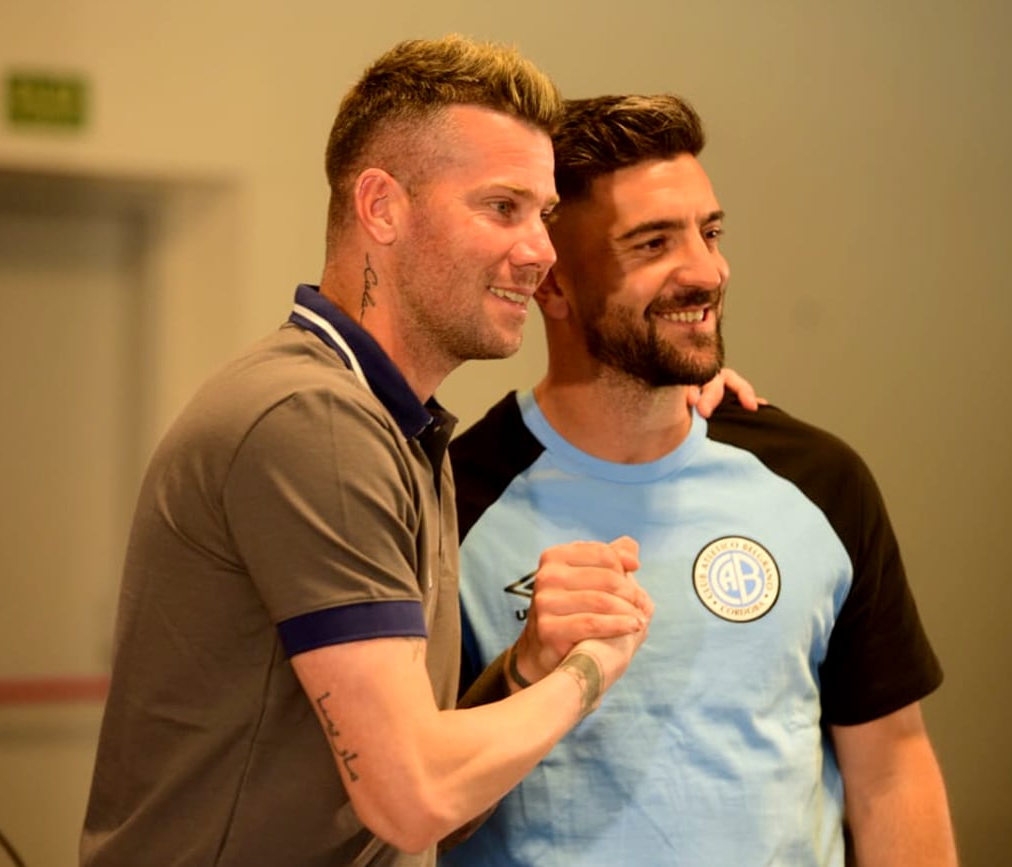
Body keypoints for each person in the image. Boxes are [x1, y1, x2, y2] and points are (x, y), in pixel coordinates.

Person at [80, 37, 660, 867]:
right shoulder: (313, 420)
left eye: (543, 213)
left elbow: (416, 804)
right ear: (382, 207)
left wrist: (531, 667)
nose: (541, 251)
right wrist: (590, 674)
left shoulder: (394, 426)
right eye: (503, 207)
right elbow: (412, 795)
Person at [442, 95, 957, 866]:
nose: (707, 271)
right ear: (551, 285)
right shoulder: (451, 500)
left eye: (709, 233)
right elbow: (404, 800)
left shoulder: (817, 480)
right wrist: (522, 670)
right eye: (653, 244)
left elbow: (891, 768)